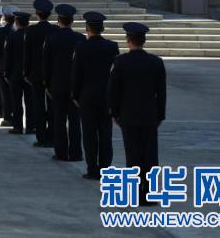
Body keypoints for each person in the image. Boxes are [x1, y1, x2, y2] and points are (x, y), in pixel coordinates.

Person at [108, 21, 166, 200]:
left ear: (128, 40)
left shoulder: (120, 62)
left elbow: (114, 90)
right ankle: (150, 192)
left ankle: (134, 192)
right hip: (149, 114)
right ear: (144, 41)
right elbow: (161, 92)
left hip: (128, 114)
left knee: (132, 153)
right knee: (150, 154)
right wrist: (160, 115)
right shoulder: (156, 62)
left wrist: (114, 113)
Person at [71, 11, 119, 180]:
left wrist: (75, 95)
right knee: (106, 134)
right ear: (102, 29)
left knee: (89, 134)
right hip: (106, 96)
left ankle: (92, 168)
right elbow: (115, 74)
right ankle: (105, 168)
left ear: (87, 29)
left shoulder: (81, 47)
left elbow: (76, 73)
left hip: (87, 96)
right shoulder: (112, 46)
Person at [42, 3, 85, 162]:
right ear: (72, 21)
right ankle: (76, 152)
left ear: (58, 20)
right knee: (75, 121)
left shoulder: (51, 38)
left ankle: (61, 152)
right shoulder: (80, 38)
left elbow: (47, 64)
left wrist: (47, 84)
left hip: (57, 84)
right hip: (75, 86)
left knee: (59, 120)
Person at [23, 0, 57, 147]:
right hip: (52, 74)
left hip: (36, 73)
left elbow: (27, 54)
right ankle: (52, 135)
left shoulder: (31, 31)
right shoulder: (55, 30)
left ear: (37, 13)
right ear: (50, 14)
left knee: (38, 105)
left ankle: (41, 137)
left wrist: (26, 73)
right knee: (52, 105)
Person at [4, 11, 31, 134]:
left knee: (16, 101)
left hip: (15, 73)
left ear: (16, 22)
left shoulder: (12, 36)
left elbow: (8, 57)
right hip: (29, 73)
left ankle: (18, 126)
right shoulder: (31, 36)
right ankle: (31, 125)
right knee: (30, 101)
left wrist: (6, 73)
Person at [0, 6, 17, 127]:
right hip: (16, 68)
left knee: (5, 94)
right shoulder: (17, 32)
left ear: (5, 18)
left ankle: (7, 117)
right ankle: (16, 117)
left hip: (2, 66)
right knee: (16, 94)